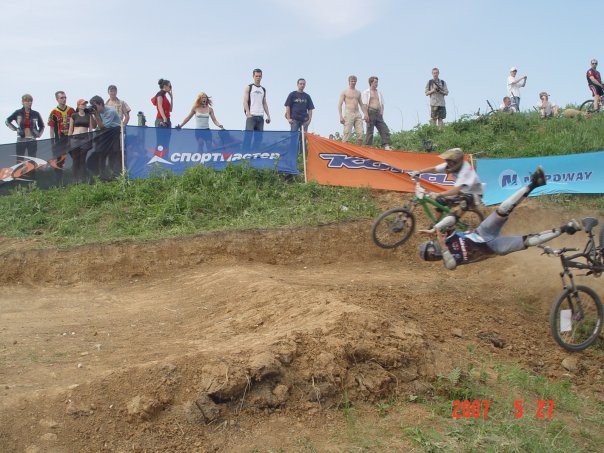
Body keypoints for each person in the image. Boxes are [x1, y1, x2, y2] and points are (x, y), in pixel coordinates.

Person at [418, 166, 582, 270]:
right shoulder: (449, 259)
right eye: (430, 257)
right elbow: (452, 265)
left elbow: (452, 219)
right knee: (527, 241)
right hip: (494, 247)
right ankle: (566, 228)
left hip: (482, 232)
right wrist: (443, 247)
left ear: (432, 245)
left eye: (430, 252)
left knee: (503, 209)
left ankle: (534, 183)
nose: (433, 256)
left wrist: (436, 228)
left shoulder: (447, 239)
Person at [411, 147, 484, 209]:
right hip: (462, 192)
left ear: (456, 161)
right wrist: (419, 172)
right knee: (440, 202)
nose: (447, 162)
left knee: (460, 207)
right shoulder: (450, 165)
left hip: (474, 194)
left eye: (449, 161)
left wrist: (439, 194)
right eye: (447, 160)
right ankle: (438, 221)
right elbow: (434, 169)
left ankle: (454, 218)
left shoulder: (465, 171)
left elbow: (455, 191)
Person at [89, 95, 121, 178]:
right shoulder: (97, 111)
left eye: (95, 105)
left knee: (113, 153)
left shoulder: (110, 111)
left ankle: (115, 175)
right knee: (101, 153)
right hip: (103, 133)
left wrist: (96, 115)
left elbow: (103, 127)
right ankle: (101, 175)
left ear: (101, 104)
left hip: (113, 132)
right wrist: (91, 115)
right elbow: (94, 126)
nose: (94, 107)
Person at [5, 94, 45, 161]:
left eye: (31, 101)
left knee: (32, 160)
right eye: (27, 101)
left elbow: (42, 126)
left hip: (32, 140)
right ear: (22, 102)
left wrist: (38, 134)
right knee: (19, 160)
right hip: (21, 139)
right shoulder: (18, 112)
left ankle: (32, 168)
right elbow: (7, 121)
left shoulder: (36, 113)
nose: (30, 103)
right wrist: (16, 129)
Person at [362, 76, 393, 150]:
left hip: (378, 113)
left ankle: (386, 145)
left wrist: (381, 113)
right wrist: (366, 114)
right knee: (370, 130)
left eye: (377, 82)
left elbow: (382, 104)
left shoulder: (379, 92)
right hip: (370, 111)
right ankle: (369, 146)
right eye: (375, 82)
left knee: (384, 129)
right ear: (371, 83)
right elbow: (364, 104)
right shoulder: (366, 92)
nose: (377, 84)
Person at [68, 99, 94, 181]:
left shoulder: (88, 116)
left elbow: (90, 129)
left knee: (82, 160)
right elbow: (70, 129)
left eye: (85, 104)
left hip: (84, 139)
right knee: (75, 160)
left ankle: (83, 179)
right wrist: (68, 141)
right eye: (82, 104)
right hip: (75, 138)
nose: (84, 105)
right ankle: (74, 179)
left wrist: (91, 140)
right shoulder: (74, 115)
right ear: (78, 105)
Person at [337, 75, 365, 144]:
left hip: (357, 113)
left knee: (361, 133)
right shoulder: (344, 92)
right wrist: (341, 116)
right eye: (352, 81)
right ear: (349, 82)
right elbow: (340, 104)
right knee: (347, 133)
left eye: (354, 81)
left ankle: (358, 148)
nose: (353, 82)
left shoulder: (358, 92)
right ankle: (344, 148)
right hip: (349, 112)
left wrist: (366, 114)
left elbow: (361, 104)